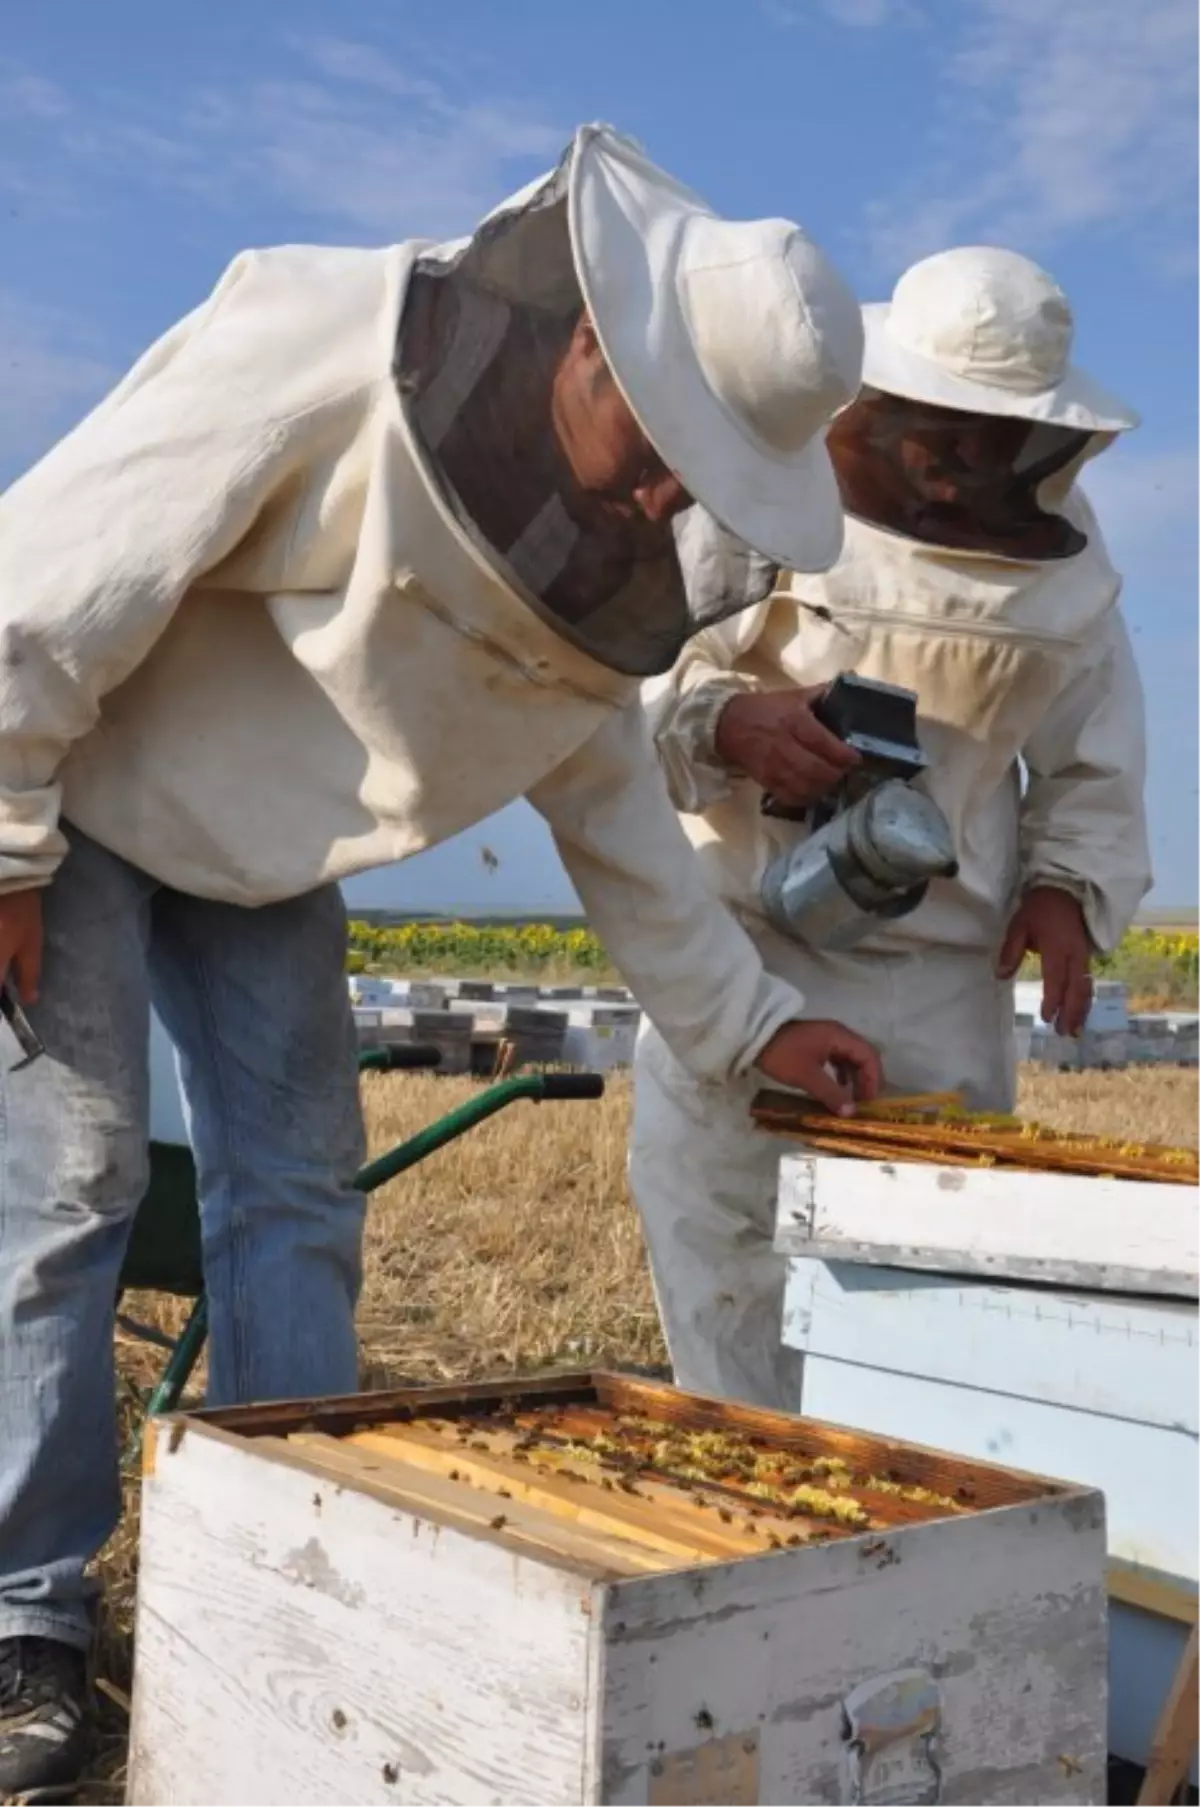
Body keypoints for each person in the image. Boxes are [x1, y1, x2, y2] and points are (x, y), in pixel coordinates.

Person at [0, 123, 881, 1793]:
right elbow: (41, 585)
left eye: (701, 475)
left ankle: (291, 1558)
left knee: (302, 1190)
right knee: (70, 1188)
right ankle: (26, 1618)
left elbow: (625, 835)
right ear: (587, 335)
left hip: (271, 850)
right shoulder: (310, 336)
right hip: (83, 786)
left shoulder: (586, 588)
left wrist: (755, 1024)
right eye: (662, 440)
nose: (664, 493)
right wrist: (6, 841)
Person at [632, 244, 1152, 1413]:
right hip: (742, 957)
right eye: (942, 440)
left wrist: (1065, 882)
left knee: (930, 1321)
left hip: (942, 986)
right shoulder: (755, 487)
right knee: (737, 1300)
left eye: (993, 447)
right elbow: (626, 695)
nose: (963, 476)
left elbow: (1093, 745)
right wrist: (732, 723)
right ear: (883, 401)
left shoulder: (1071, 558)